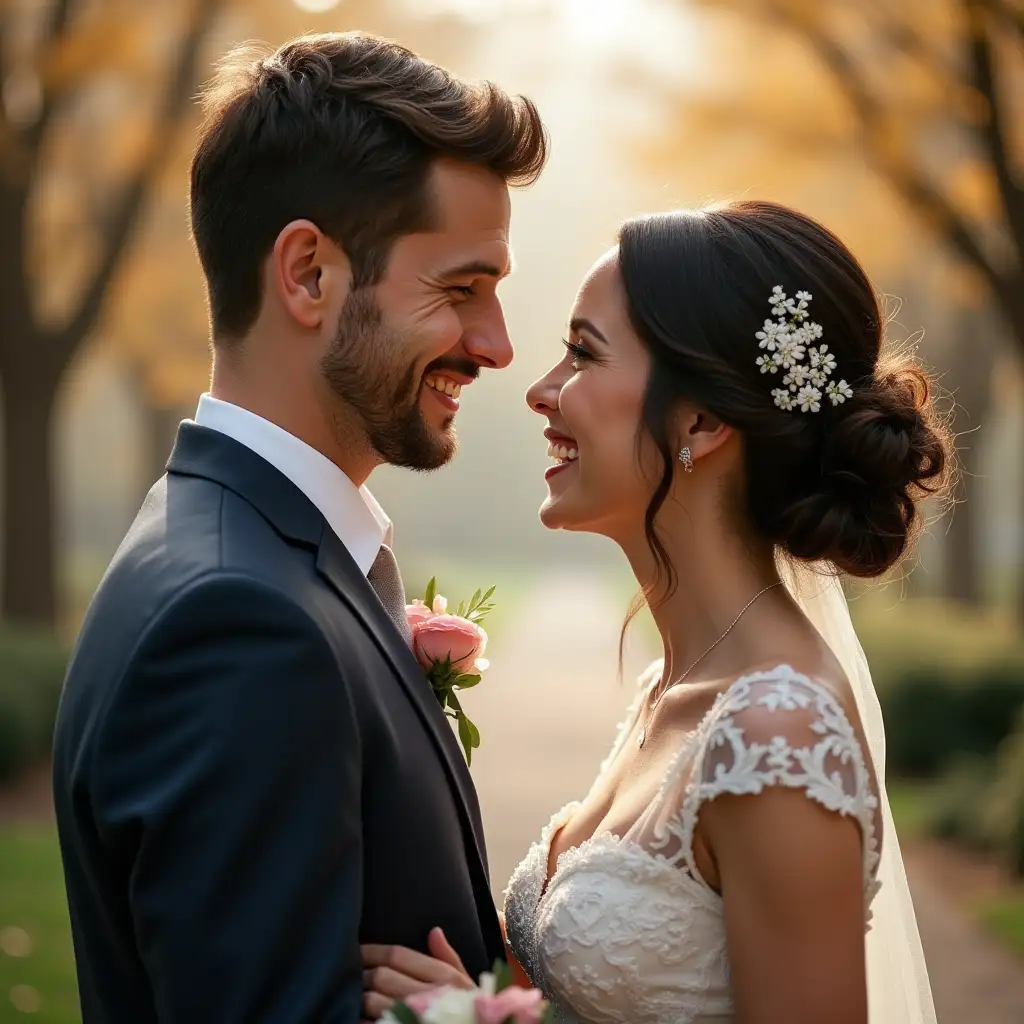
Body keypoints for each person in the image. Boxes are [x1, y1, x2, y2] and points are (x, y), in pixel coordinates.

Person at [52, 31, 547, 1023]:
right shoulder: (239, 625)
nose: (495, 346)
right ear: (309, 276)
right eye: (461, 290)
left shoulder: (249, 553)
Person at [362, 200, 947, 1023]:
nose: (539, 390)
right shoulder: (671, 690)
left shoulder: (779, 732)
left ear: (702, 421)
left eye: (581, 354)